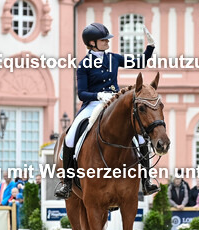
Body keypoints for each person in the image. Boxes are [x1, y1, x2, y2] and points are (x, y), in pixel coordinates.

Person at [55, 21, 157, 198]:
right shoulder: (84, 64)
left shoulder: (114, 58)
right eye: (103, 40)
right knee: (70, 136)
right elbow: (82, 94)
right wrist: (98, 96)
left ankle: (146, 180)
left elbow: (139, 63)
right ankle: (68, 183)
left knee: (140, 136)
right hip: (93, 104)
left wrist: (150, 47)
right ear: (92, 43)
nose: (107, 42)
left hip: (114, 103)